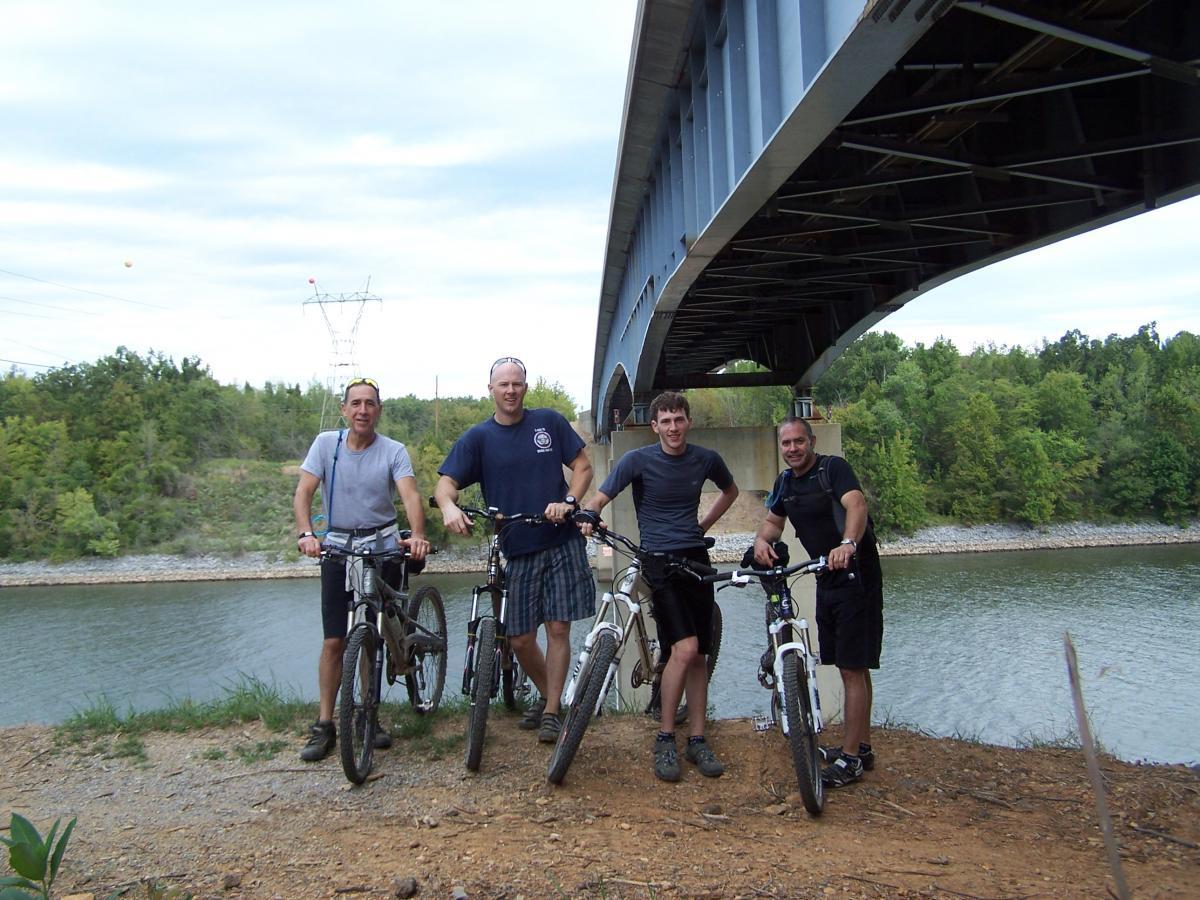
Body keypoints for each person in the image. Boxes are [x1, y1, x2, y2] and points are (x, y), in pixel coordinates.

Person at [576, 391, 738, 782]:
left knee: (699, 653)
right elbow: (600, 497)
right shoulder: (638, 460)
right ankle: (666, 737)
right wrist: (588, 514)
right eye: (665, 421)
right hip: (659, 562)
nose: (673, 427)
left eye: (678, 419)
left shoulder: (705, 459)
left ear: (688, 421)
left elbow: (730, 491)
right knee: (683, 650)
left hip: (696, 559)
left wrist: (702, 527)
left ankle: (697, 739)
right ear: (655, 426)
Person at [433, 357, 594, 743]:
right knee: (520, 639)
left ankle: (553, 710)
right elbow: (444, 485)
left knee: (558, 627)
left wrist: (569, 501)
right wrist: (449, 506)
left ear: (525, 387)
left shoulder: (549, 423)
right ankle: (548, 695)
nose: (510, 390)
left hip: (561, 541)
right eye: (503, 384)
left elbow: (583, 467)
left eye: (517, 384)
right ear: (490, 389)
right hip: (517, 547)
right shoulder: (478, 438)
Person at [293, 377, 430, 762]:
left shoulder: (393, 451)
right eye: (355, 404)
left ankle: (370, 715)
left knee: (375, 631)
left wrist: (417, 534)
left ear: (379, 410)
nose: (362, 411)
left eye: (370, 404)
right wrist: (307, 533)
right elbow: (304, 492)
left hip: (383, 547)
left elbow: (410, 495)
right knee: (335, 640)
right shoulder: (325, 445)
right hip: (336, 546)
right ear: (344, 409)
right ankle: (325, 724)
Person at [752, 416, 883, 787]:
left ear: (811, 441)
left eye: (799, 441)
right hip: (826, 575)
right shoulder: (785, 483)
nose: (792, 449)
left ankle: (852, 759)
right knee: (849, 663)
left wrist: (848, 544)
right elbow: (774, 523)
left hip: (856, 573)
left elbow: (856, 506)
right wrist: (762, 541)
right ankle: (863, 745)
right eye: (786, 444)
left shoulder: (833, 469)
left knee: (851, 667)